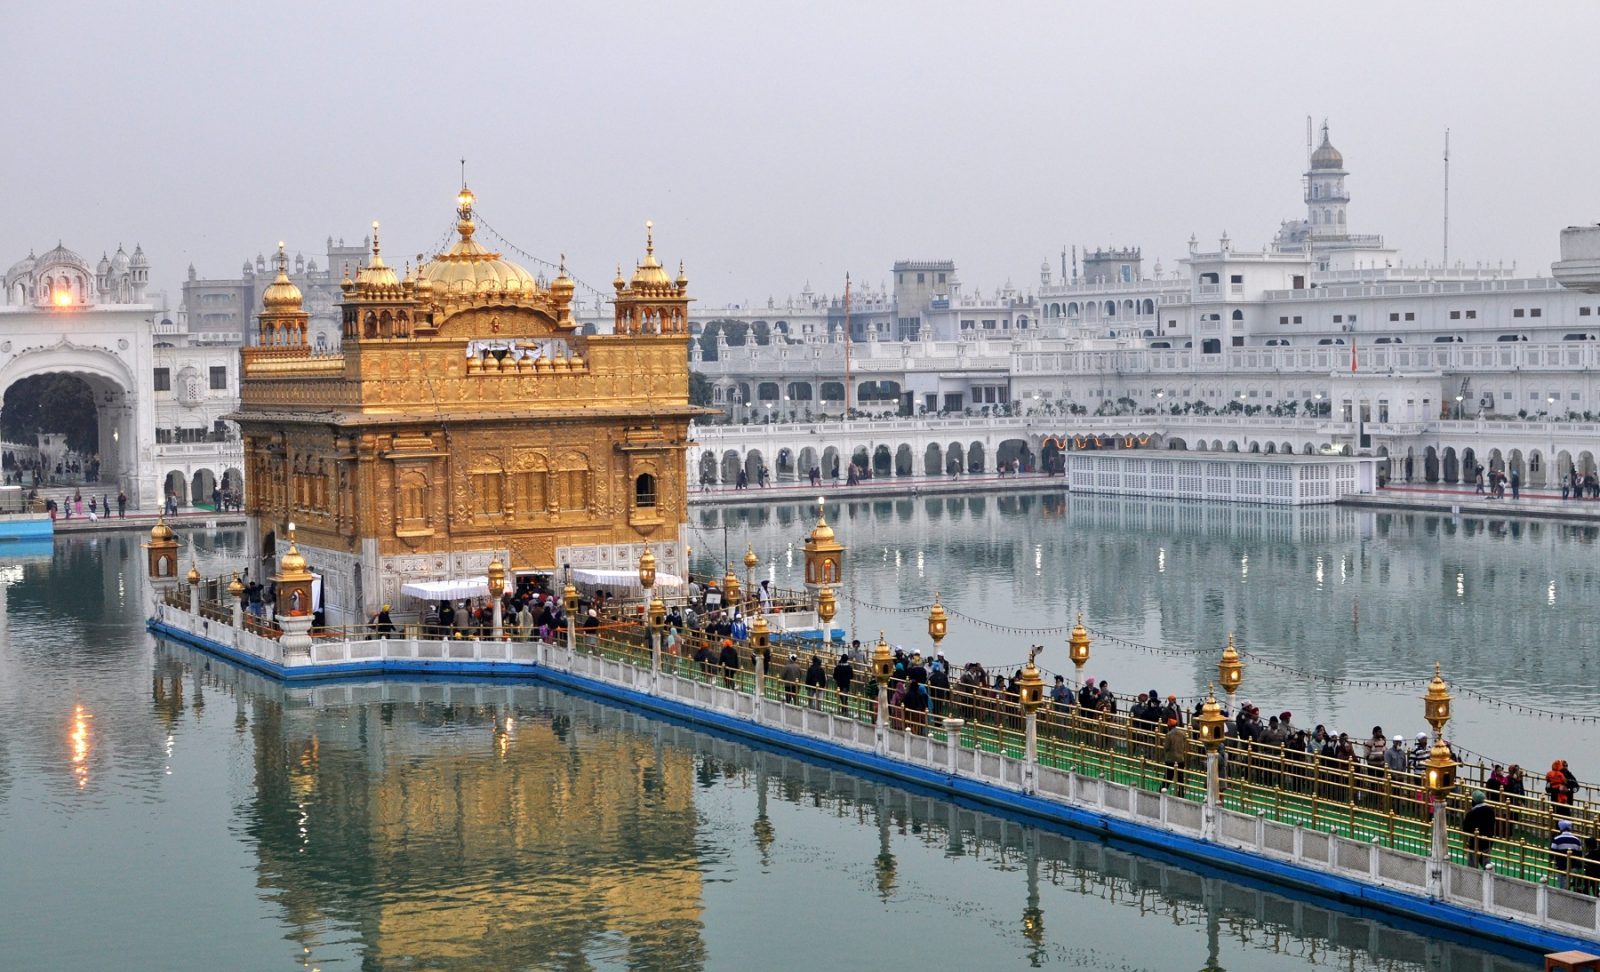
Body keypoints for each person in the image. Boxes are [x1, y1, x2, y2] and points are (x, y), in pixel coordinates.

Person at [1462, 791, 1497, 869]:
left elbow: (1465, 828)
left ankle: (1472, 879)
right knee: (1486, 862)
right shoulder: (1490, 811)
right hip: (1487, 841)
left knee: (1472, 865)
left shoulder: (1471, 814)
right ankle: (1489, 877)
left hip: (1475, 842)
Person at [1161, 717, 1190, 796]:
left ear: (1169, 726)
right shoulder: (1182, 733)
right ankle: (1181, 794)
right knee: (1180, 778)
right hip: (1180, 759)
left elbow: (1166, 747)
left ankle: (1162, 791)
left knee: (1168, 777)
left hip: (1171, 759)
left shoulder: (1168, 735)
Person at [1551, 820, 1584, 891]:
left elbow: (1552, 853)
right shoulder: (1577, 840)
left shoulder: (1556, 839)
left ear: (1561, 828)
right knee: (1575, 886)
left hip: (1561, 867)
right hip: (1574, 867)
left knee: (1563, 887)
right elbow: (1580, 854)